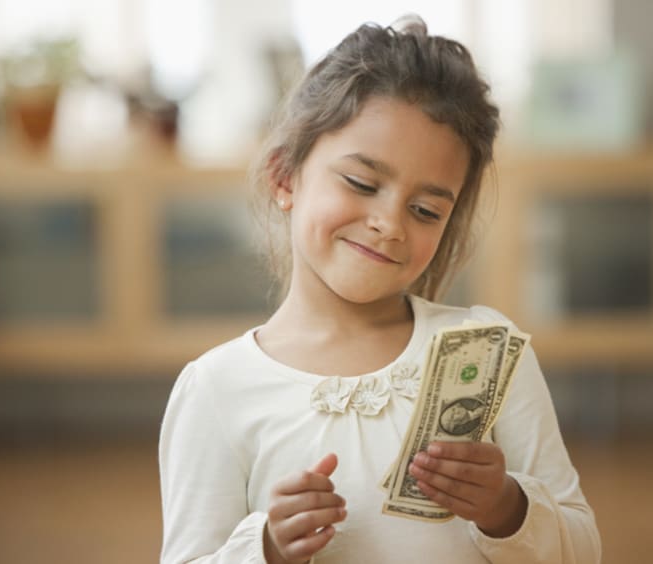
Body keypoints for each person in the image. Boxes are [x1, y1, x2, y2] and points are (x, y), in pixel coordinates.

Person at [159, 14, 601, 564]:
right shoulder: (217, 389)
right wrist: (268, 549)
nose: (390, 224)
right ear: (283, 177)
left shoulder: (487, 350)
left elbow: (582, 548)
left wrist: (506, 508)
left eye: (424, 210)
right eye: (362, 184)